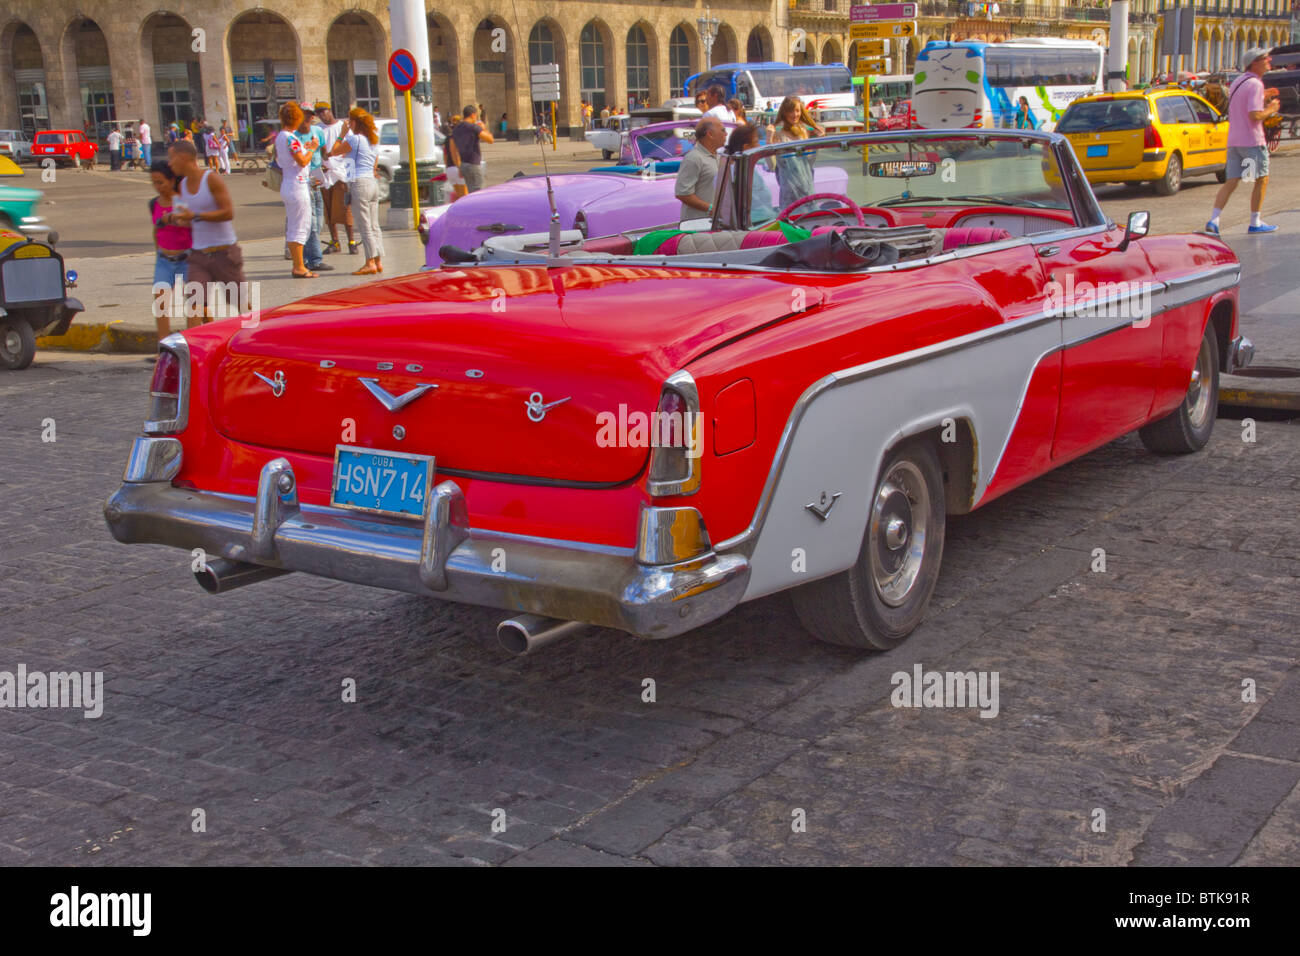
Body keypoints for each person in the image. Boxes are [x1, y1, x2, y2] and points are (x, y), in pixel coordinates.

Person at [168, 138, 244, 324]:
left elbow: (228, 212)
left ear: (184, 157)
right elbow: (184, 219)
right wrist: (172, 218)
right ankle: (196, 349)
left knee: (240, 302)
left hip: (224, 252)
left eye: (172, 158)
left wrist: (195, 216)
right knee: (194, 303)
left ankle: (254, 338)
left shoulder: (211, 179)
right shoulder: (181, 186)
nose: (169, 163)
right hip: (198, 255)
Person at [1207, 47, 1281, 235]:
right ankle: (1255, 221)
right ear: (1254, 63)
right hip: (1252, 140)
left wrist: (1264, 96)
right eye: (1265, 58)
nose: (1269, 60)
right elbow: (1255, 115)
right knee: (1261, 178)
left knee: (1232, 180)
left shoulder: (1238, 81)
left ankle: (1214, 220)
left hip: (1234, 140)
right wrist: (1271, 108)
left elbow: (1243, 103)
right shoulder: (1256, 84)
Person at [327, 107, 384, 275]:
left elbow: (333, 151)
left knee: (365, 225)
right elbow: (375, 162)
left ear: (353, 122)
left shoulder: (355, 140)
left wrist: (341, 134)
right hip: (372, 183)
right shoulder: (373, 139)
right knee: (374, 225)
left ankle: (369, 262)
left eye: (349, 122)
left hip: (359, 184)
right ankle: (378, 260)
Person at [148, 158, 191, 342]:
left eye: (161, 182)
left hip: (187, 258)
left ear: (172, 180)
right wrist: (159, 251)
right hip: (164, 260)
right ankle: (163, 344)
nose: (158, 187)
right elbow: (155, 229)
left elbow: (194, 224)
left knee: (193, 304)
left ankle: (193, 344)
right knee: (161, 302)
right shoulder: (154, 204)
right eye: (154, 183)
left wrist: (178, 220)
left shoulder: (182, 200)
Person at [273, 102, 317, 278]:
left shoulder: (281, 137)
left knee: (294, 224)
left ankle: (298, 264)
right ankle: (299, 266)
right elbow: (302, 161)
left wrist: (305, 149)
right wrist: (312, 149)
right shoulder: (290, 138)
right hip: (297, 185)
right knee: (300, 225)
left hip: (289, 183)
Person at [294, 103, 334, 273]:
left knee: (317, 221)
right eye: (307, 114)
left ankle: (307, 257)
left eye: (311, 114)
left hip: (317, 176)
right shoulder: (294, 136)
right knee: (310, 222)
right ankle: (314, 259)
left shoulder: (317, 131)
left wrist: (328, 162)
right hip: (304, 178)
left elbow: (324, 151)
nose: (310, 117)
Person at [767, 96, 823, 209]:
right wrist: (769, 140)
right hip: (789, 194)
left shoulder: (803, 131)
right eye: (790, 111)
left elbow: (809, 162)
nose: (794, 114)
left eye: (797, 110)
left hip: (807, 189)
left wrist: (818, 143)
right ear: (784, 112)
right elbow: (772, 166)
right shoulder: (778, 133)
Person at [715, 123, 774, 225]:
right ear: (746, 147)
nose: (759, 146)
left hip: (765, 221)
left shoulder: (745, 167)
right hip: (754, 226)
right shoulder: (734, 173)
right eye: (756, 142)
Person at [315, 102, 354, 254]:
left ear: (330, 111)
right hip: (325, 174)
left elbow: (350, 148)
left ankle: (351, 241)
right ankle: (335, 242)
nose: (321, 115)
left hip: (341, 173)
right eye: (318, 113)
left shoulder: (342, 128)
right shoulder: (318, 129)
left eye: (323, 111)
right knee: (329, 210)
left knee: (345, 209)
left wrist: (350, 175)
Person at [674, 115, 726, 221]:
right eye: (722, 130)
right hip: (698, 227)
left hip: (715, 224)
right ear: (710, 134)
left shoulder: (720, 156)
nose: (726, 134)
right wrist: (711, 209)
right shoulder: (694, 158)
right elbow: (682, 194)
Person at [450, 104, 494, 194]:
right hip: (473, 164)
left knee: (471, 191)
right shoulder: (474, 127)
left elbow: (453, 151)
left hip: (463, 164)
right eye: (476, 116)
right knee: (479, 191)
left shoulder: (456, 129)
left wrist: (459, 167)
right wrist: (483, 128)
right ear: (473, 115)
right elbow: (490, 140)